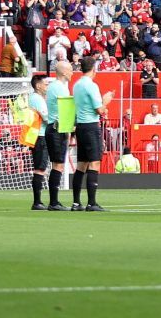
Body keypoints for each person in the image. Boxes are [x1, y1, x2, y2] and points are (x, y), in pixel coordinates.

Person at [69, 55, 108, 211]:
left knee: (81, 165)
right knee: (94, 162)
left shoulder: (77, 85)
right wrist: (107, 100)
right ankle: (91, 203)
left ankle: (76, 202)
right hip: (90, 126)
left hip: (80, 126)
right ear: (94, 68)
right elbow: (99, 109)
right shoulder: (91, 85)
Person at [42, 59, 73, 212]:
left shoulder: (56, 86)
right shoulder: (59, 88)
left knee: (57, 164)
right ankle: (53, 202)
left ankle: (54, 201)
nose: (72, 72)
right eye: (71, 69)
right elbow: (65, 111)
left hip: (55, 128)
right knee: (58, 164)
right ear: (64, 72)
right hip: (57, 128)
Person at [25, 72, 53, 210]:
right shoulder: (37, 98)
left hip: (38, 135)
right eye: (45, 83)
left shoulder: (34, 98)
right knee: (40, 169)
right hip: (40, 136)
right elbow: (46, 117)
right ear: (38, 86)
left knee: (40, 168)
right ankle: (37, 202)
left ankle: (38, 201)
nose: (47, 86)